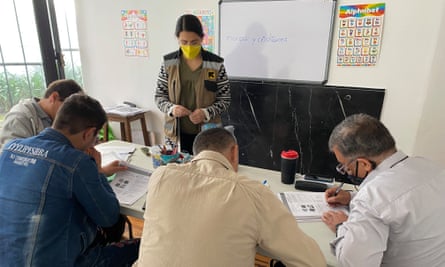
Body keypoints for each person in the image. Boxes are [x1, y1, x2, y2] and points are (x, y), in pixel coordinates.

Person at [135, 127, 326, 267]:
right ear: (234, 152)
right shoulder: (252, 192)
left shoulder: (161, 175)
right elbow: (313, 262)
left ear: (196, 153)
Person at [0, 94, 140, 266]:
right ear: (88, 133)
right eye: (96, 138)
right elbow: (109, 217)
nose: (94, 144)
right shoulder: (76, 162)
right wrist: (96, 171)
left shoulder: (10, 149)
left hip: (8, 259)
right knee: (143, 246)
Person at [321, 113, 445, 266]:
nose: (348, 172)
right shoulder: (432, 168)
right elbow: (398, 200)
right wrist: (351, 197)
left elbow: (355, 263)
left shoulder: (372, 197)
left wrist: (341, 227)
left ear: (364, 164)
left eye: (345, 167)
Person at [155, 14, 231, 154]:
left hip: (207, 132)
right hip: (176, 133)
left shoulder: (215, 64)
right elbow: (159, 97)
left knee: (205, 169)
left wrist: (206, 112)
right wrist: (172, 108)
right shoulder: (168, 63)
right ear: (177, 39)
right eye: (184, 42)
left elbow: (225, 100)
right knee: (179, 169)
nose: (189, 46)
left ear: (202, 38)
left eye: (194, 42)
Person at [0, 79, 83, 148]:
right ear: (54, 97)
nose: (71, 116)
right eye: (70, 108)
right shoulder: (19, 117)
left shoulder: (55, 118)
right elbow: (11, 157)